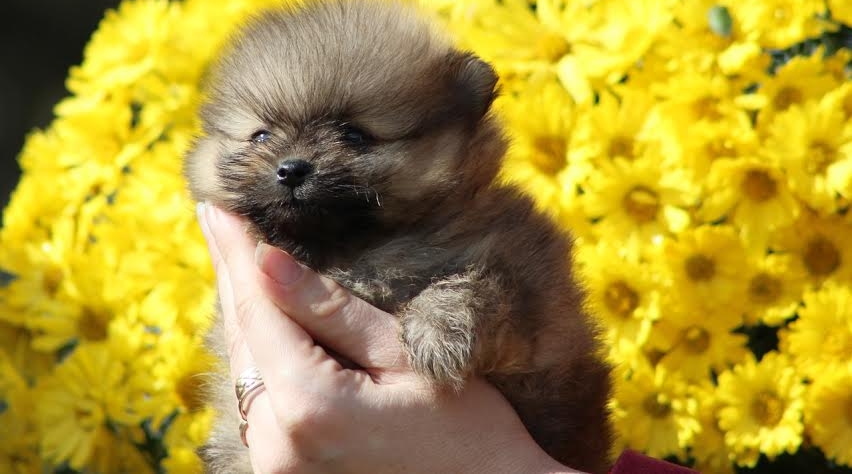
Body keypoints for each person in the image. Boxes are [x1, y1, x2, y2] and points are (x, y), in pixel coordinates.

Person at [197, 203, 697, 474]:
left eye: (354, 135)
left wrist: (499, 465)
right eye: (260, 136)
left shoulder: (498, 240)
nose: (291, 164)